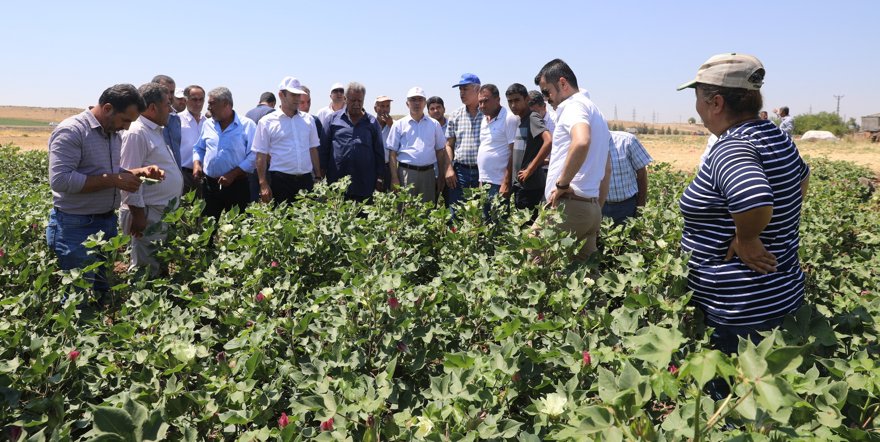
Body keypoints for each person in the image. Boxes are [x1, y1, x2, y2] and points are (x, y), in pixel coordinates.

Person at [676, 53, 811, 361]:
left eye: (698, 100)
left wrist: (746, 238)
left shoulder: (733, 146)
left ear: (716, 103)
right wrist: (775, 226)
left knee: (733, 399)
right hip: (779, 292)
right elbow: (803, 179)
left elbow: (753, 198)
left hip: (737, 309)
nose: (697, 110)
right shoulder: (774, 136)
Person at [46, 84, 164, 300]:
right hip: (76, 226)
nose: (127, 128)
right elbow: (60, 180)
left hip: (105, 223)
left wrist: (139, 172)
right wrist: (114, 179)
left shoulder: (112, 132)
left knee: (102, 290)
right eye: (125, 120)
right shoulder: (72, 131)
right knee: (76, 296)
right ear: (108, 108)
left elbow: (107, 172)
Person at [532, 59, 612, 261]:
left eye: (547, 91)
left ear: (562, 84)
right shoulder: (596, 112)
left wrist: (562, 184)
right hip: (590, 208)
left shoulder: (573, 106)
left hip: (569, 206)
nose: (546, 98)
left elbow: (581, 141)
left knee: (531, 259)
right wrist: (595, 208)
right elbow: (607, 168)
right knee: (584, 279)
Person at [119, 83, 184, 275]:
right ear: (153, 107)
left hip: (157, 211)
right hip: (146, 213)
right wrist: (139, 215)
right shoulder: (137, 133)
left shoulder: (154, 130)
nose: (171, 110)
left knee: (156, 265)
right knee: (145, 270)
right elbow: (129, 177)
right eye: (167, 104)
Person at [253, 77, 322, 205]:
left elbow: (313, 149)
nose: (297, 98)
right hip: (280, 182)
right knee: (283, 221)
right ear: (281, 95)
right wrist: (263, 184)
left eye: (298, 94)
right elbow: (260, 155)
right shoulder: (266, 122)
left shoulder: (308, 120)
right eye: (293, 95)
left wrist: (318, 177)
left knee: (306, 222)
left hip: (306, 181)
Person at [192, 87, 257, 220]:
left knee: (238, 227)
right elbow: (199, 148)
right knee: (207, 227)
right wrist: (197, 164)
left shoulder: (247, 125)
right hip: (210, 186)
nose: (208, 108)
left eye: (212, 104)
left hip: (237, 186)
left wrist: (233, 174)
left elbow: (254, 155)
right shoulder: (208, 125)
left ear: (226, 104)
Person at [320, 82, 385, 202]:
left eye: (359, 101)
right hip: (338, 184)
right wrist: (320, 176)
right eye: (353, 100)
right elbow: (324, 149)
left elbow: (379, 152)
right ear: (345, 99)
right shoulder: (332, 120)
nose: (356, 104)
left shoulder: (372, 122)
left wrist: (380, 177)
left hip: (364, 183)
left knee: (364, 219)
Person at [386, 87, 447, 203]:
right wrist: (394, 178)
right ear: (407, 103)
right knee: (404, 211)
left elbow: (440, 151)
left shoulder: (434, 125)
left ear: (425, 103)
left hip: (428, 175)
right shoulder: (399, 125)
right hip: (406, 174)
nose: (417, 103)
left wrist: (441, 176)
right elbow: (392, 153)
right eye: (413, 99)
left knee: (427, 213)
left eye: (420, 99)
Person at [506, 83, 551, 214]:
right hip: (521, 187)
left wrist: (530, 168)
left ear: (526, 100)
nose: (513, 105)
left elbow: (548, 141)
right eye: (510, 101)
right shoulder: (521, 120)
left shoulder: (533, 117)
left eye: (517, 100)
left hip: (531, 188)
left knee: (528, 230)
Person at [476, 84, 518, 217]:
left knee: (499, 224)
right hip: (485, 181)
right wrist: (481, 181)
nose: (482, 105)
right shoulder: (484, 119)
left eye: (486, 101)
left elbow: (514, 152)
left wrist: (506, 182)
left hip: (498, 183)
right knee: (485, 222)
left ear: (497, 100)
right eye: (480, 102)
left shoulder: (509, 118)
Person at [444, 73, 484, 213]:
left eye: (465, 89)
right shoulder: (455, 115)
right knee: (457, 212)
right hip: (460, 172)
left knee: (481, 213)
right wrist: (449, 169)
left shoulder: (487, 114)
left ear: (477, 90)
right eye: (460, 89)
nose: (461, 93)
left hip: (483, 172)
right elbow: (449, 144)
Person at [603, 131, 652, 224]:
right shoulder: (586, 143)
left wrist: (640, 207)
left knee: (628, 236)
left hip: (626, 206)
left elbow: (641, 174)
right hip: (596, 207)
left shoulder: (627, 140)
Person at [179, 85, 206, 196]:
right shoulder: (177, 120)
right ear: (185, 100)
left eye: (201, 100)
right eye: (194, 100)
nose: (198, 103)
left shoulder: (207, 122)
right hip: (184, 175)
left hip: (204, 176)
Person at [152, 75, 182, 168]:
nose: (169, 96)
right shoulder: (147, 121)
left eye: (172, 92)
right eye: (165, 91)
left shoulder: (176, 119)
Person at [374, 95, 394, 189]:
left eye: (387, 106)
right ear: (375, 108)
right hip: (372, 167)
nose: (385, 109)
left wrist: (391, 125)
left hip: (388, 168)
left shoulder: (395, 125)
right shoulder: (370, 124)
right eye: (382, 106)